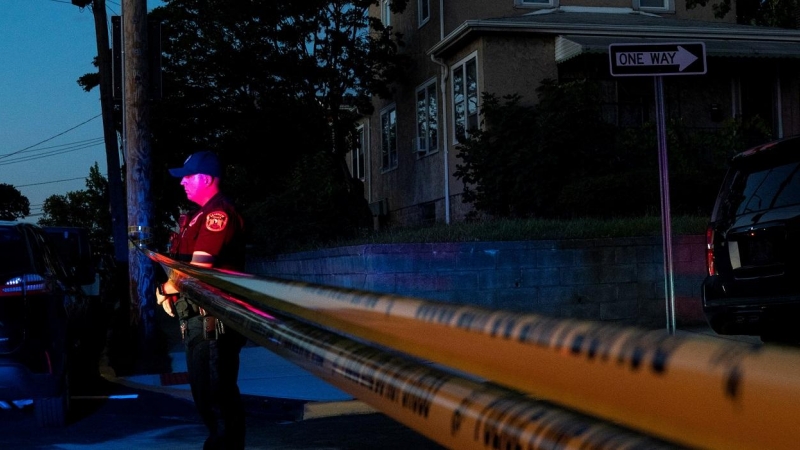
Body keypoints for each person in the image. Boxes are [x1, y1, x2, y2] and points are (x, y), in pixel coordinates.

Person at [155, 150, 247, 450]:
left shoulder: (216, 214)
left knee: (216, 398)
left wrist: (168, 288)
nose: (182, 183)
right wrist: (172, 289)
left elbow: (198, 269)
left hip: (213, 322)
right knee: (206, 396)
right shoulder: (196, 217)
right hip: (198, 320)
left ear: (206, 178)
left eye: (188, 177)